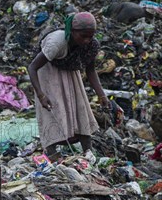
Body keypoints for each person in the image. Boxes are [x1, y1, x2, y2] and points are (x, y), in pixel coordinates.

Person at [28, 11, 110, 158]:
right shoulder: (57, 42)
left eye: (90, 36)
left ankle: (88, 153)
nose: (86, 40)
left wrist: (101, 95)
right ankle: (53, 155)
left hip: (70, 69)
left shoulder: (91, 45)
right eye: (82, 36)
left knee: (80, 107)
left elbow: (90, 70)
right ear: (72, 31)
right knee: (54, 108)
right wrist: (41, 94)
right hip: (47, 71)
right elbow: (32, 67)